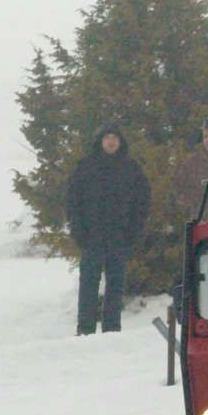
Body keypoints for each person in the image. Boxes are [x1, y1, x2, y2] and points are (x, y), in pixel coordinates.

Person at [66, 124, 151, 335]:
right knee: (88, 284)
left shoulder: (131, 168)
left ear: (120, 142)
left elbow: (142, 202)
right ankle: (85, 328)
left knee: (115, 283)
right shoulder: (86, 166)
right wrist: (77, 229)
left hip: (119, 236)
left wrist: (134, 230)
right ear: (100, 141)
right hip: (91, 235)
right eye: (107, 138)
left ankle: (112, 328)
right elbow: (72, 200)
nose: (111, 142)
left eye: (115, 138)